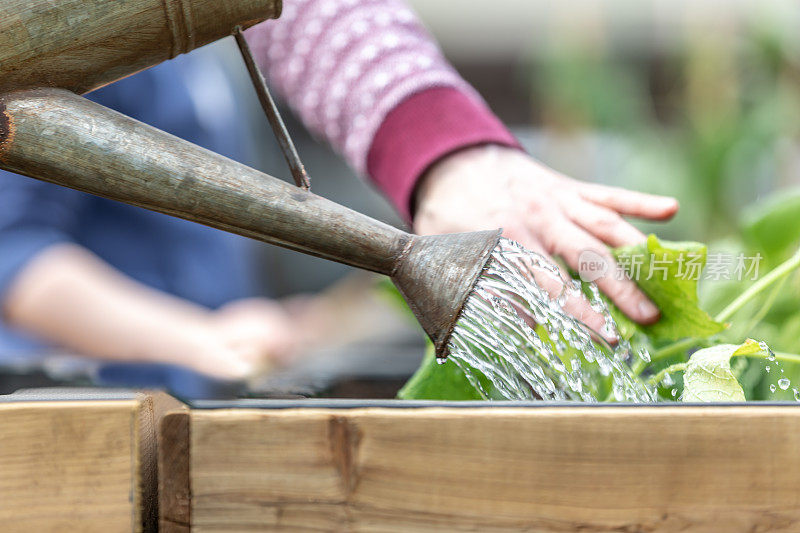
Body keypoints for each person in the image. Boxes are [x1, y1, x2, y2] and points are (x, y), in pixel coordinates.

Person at [0, 0, 678, 395]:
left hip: (185, 394)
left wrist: (444, 155)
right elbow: (15, 260)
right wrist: (194, 336)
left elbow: (316, 18)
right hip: (76, 404)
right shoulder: (68, 33)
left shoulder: (190, 56)